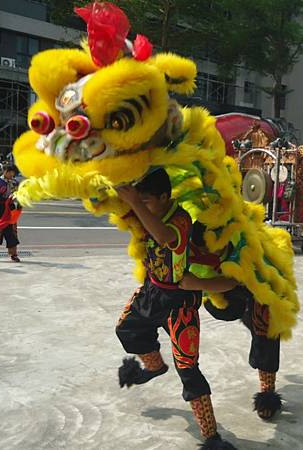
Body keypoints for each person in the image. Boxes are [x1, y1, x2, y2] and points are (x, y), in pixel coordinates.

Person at [114, 168, 233, 448]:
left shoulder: (181, 219)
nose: (143, 207)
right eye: (140, 201)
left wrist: (134, 202)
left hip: (179, 303)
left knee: (188, 370)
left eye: (147, 201)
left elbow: (163, 236)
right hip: (152, 291)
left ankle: (211, 437)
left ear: (165, 197)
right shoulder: (149, 209)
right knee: (126, 329)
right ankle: (155, 368)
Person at [179, 222, 283, 420]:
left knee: (265, 325)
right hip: (222, 293)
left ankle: (267, 392)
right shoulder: (188, 246)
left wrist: (200, 283)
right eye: (203, 250)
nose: (208, 253)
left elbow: (236, 279)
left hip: (258, 283)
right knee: (222, 308)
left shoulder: (245, 246)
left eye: (213, 249)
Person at [0, 164, 21, 262]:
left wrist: (19, 203)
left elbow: (17, 194)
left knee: (12, 233)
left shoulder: (14, 182)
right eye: (11, 173)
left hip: (10, 209)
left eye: (13, 173)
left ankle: (13, 255)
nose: (12, 175)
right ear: (5, 171)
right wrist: (7, 199)